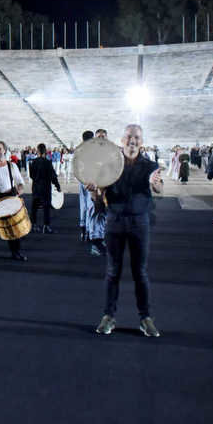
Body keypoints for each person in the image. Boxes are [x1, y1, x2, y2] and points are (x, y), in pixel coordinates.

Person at [91, 124, 163, 337]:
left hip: (140, 223)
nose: (133, 141)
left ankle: (145, 318)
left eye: (137, 138)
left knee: (140, 272)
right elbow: (99, 199)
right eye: (129, 137)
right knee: (113, 271)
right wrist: (95, 192)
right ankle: (108, 316)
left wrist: (154, 183)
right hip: (114, 222)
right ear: (122, 140)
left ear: (142, 141)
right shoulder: (109, 165)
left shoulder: (151, 165)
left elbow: (159, 188)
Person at [29, 143, 61, 233]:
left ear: (37, 151)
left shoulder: (33, 162)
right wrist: (57, 186)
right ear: (45, 151)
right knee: (46, 208)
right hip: (45, 187)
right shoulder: (47, 162)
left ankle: (33, 225)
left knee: (34, 207)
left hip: (35, 187)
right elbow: (53, 176)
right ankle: (46, 226)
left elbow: (31, 175)